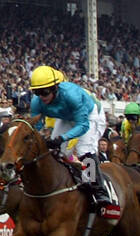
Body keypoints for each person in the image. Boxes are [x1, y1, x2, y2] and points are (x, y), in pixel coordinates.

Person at [28, 65, 109, 208]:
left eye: (45, 92)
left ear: (55, 88)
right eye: (37, 92)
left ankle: (99, 191)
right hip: (65, 117)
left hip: (89, 116)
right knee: (55, 153)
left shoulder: (72, 96)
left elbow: (83, 126)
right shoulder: (36, 102)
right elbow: (36, 126)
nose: (41, 97)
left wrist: (62, 138)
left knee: (84, 150)